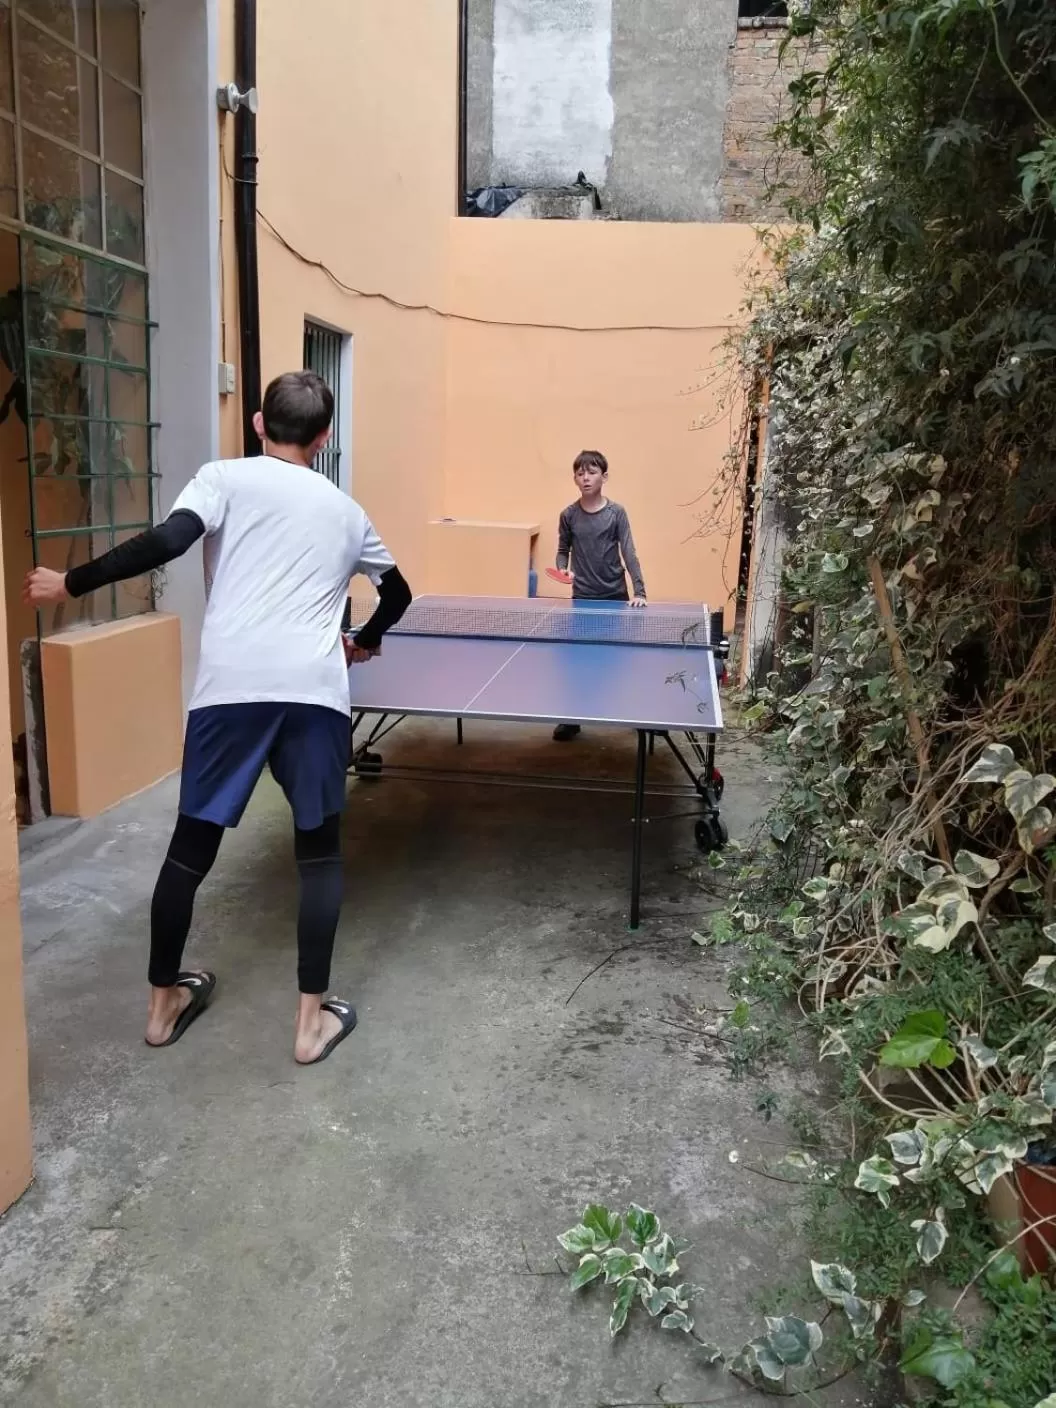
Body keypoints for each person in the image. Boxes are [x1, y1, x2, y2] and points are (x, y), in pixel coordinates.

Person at [23, 371, 411, 1066]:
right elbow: (399, 591)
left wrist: (68, 583)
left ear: (260, 424)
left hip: (230, 691)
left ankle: (162, 1007)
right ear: (323, 441)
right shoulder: (347, 512)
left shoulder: (222, 478)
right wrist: (367, 638)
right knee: (319, 857)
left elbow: (168, 541)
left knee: (188, 853)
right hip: (314, 695)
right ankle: (309, 1025)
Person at [552, 449, 647, 742]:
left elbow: (628, 551)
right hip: (582, 598)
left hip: (615, 595)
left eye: (591, 472)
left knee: (622, 660)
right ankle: (572, 719)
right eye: (580, 473)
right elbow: (562, 552)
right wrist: (562, 570)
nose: (586, 478)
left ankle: (640, 714)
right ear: (575, 479)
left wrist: (639, 591)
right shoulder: (568, 515)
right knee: (579, 663)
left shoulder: (616, 513)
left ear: (604, 477)